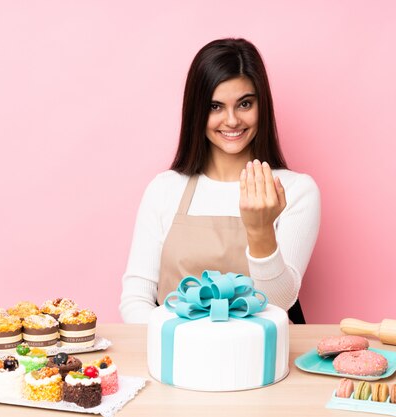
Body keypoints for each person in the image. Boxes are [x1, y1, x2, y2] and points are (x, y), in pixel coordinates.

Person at [119, 38, 320, 323]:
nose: (232, 120)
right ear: (196, 111)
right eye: (215, 106)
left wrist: (260, 229)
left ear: (262, 106)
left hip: (258, 359)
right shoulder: (164, 189)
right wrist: (184, 343)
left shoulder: (297, 190)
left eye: (245, 104)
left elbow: (279, 304)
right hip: (176, 358)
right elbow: (135, 299)